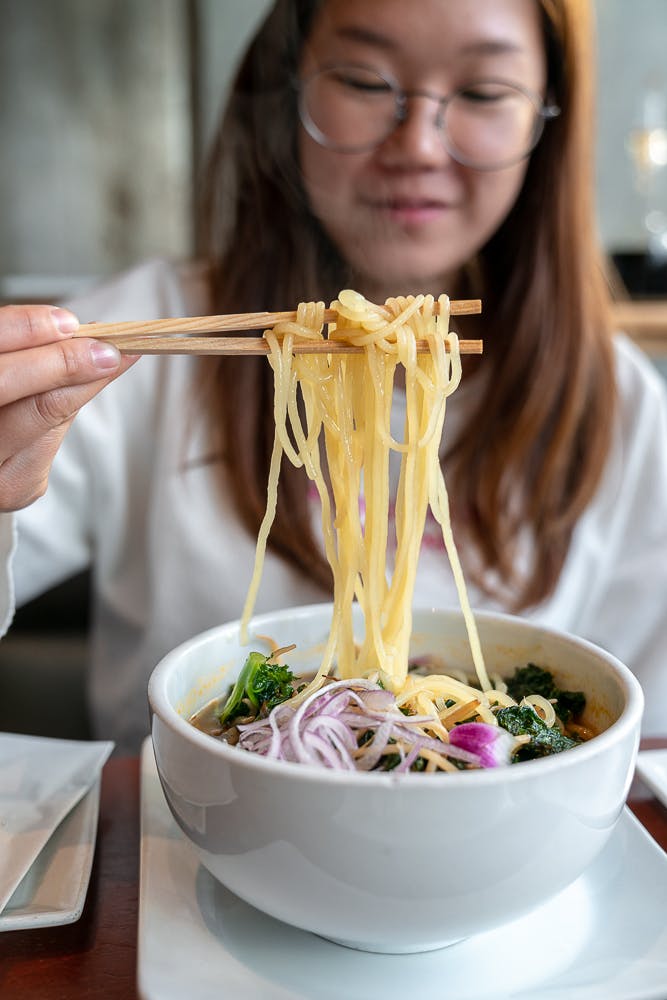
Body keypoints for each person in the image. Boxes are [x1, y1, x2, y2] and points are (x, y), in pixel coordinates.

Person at [1, 0, 666, 752]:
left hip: (501, 856)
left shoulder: (615, 403)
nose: (416, 143)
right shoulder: (147, 338)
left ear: (545, 123)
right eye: (361, 80)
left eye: (482, 93)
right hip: (171, 841)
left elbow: (635, 736)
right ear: (288, 90)